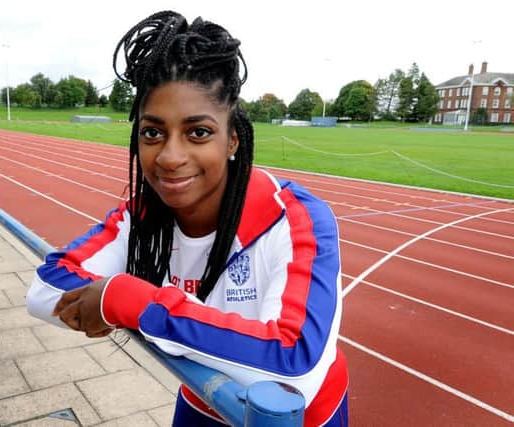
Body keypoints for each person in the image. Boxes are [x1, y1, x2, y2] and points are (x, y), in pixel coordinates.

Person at [27, 10, 348, 426]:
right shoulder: (144, 214)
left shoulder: (298, 220)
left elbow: (294, 369)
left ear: (232, 138)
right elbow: (45, 289)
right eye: (152, 132)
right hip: (203, 399)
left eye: (197, 132)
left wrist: (129, 300)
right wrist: (149, 311)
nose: (169, 157)